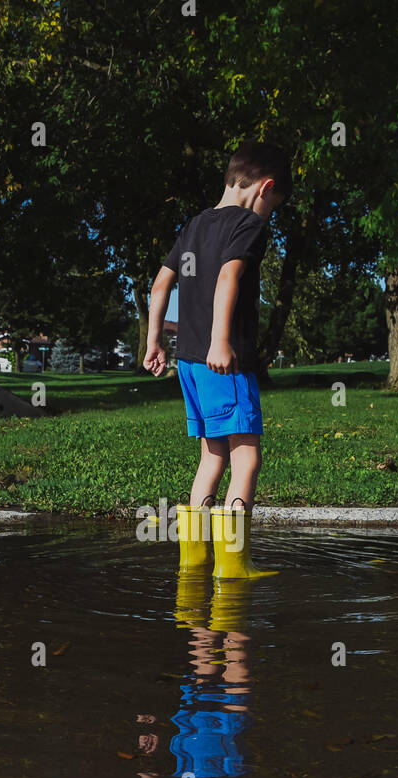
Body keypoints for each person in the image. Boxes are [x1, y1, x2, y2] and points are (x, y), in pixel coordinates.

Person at [144, 140, 291, 579]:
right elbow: (229, 274)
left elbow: (159, 285)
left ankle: (194, 558)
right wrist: (221, 341)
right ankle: (234, 563)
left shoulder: (194, 224)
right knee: (247, 460)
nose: (271, 215)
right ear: (265, 188)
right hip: (223, 362)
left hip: (188, 362)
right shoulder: (248, 225)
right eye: (275, 205)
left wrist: (154, 340)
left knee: (212, 458)